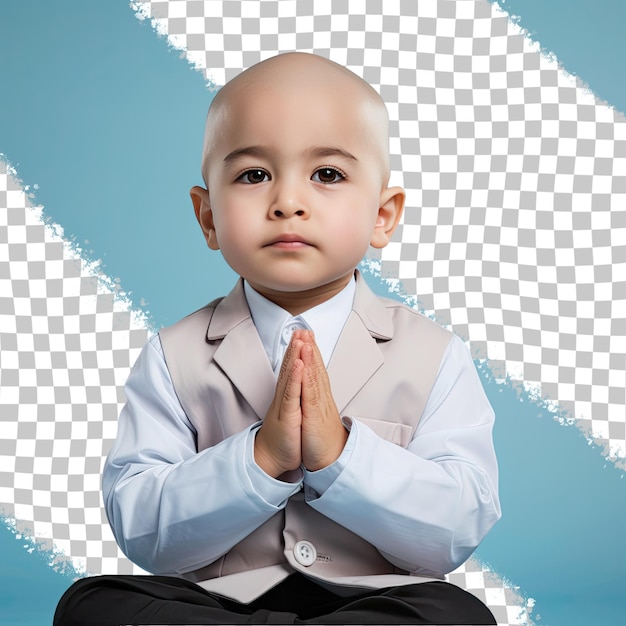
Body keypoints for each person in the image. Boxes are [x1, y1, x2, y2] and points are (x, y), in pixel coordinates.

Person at [54, 52, 501, 624]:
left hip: (373, 599)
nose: (288, 201)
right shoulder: (173, 354)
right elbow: (144, 530)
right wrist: (260, 459)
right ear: (208, 215)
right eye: (253, 175)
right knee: (93, 606)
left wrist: (339, 458)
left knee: (457, 615)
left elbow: (454, 529)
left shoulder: (435, 354)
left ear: (383, 215)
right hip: (218, 603)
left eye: (328, 175)